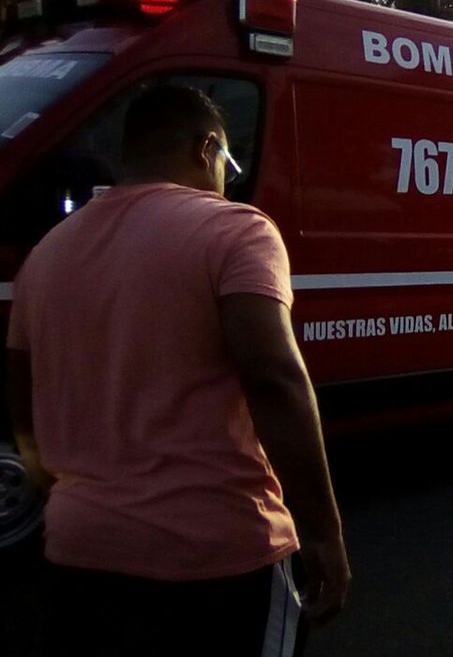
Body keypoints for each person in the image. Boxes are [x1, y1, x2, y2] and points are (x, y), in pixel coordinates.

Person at [5, 84, 350, 655]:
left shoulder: (49, 252)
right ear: (207, 148)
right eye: (227, 162)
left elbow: (23, 402)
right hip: (216, 555)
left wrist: (81, 499)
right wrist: (323, 533)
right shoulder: (235, 229)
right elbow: (274, 380)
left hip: (80, 550)